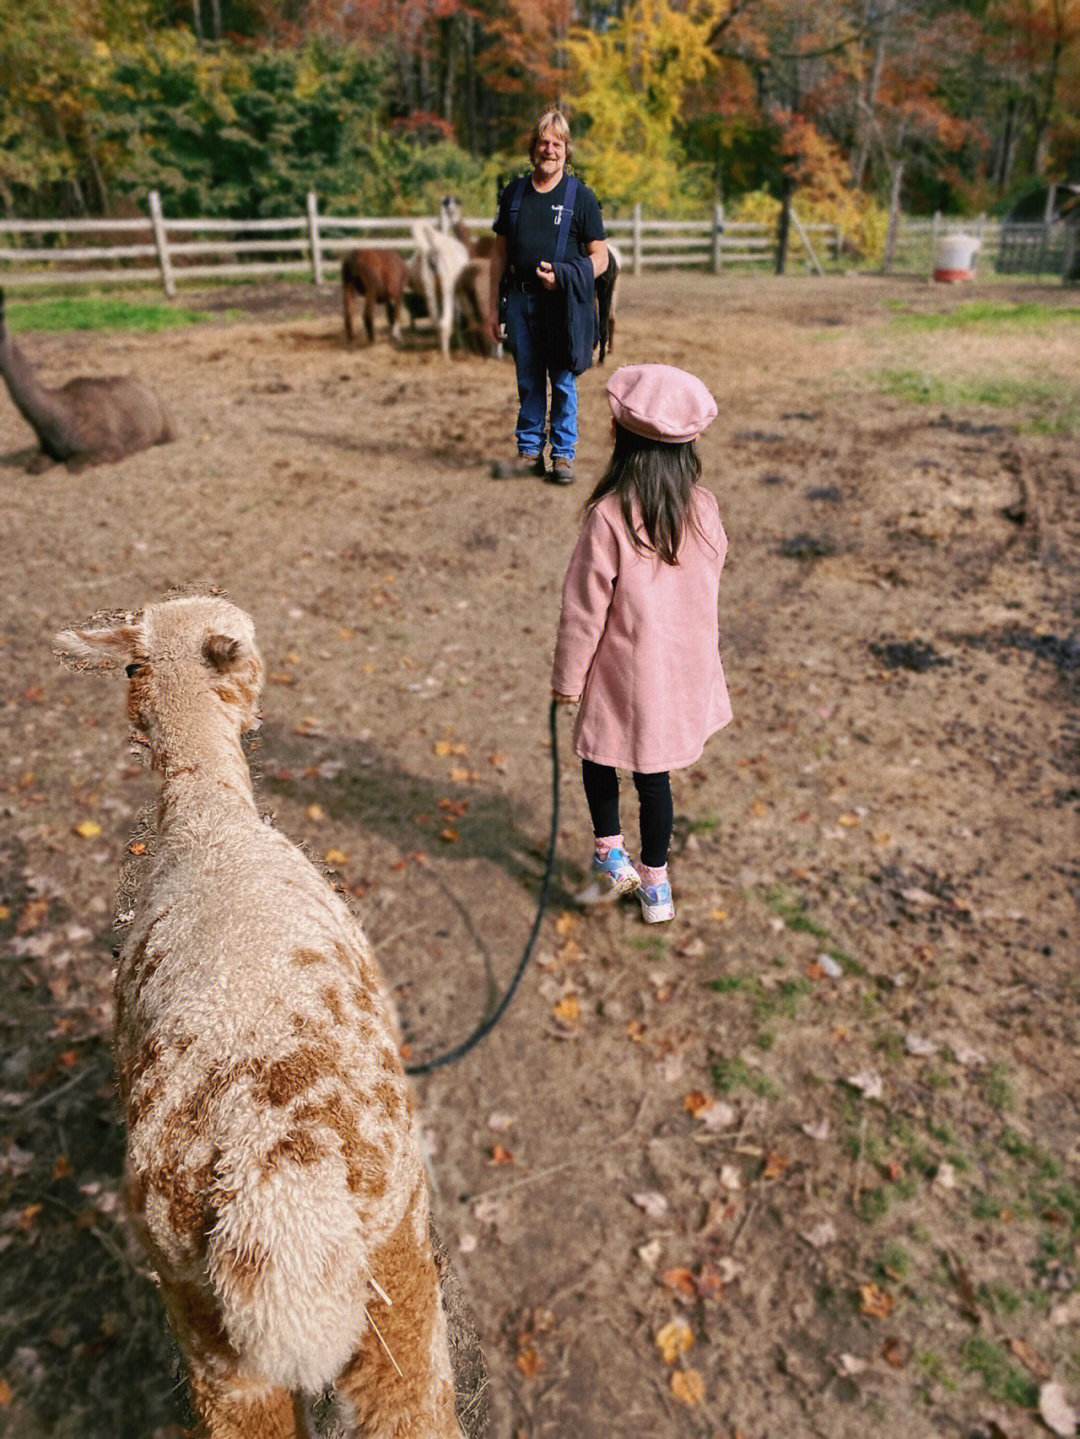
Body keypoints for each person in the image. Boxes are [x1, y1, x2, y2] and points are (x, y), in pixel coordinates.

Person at [550, 363, 732, 923]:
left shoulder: (609, 516)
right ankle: (657, 887)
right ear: (691, 443)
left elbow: (583, 610)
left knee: (599, 756)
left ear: (619, 437)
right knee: (655, 778)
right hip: (679, 670)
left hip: (621, 671)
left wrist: (568, 681)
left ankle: (611, 853)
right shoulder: (702, 508)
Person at [488, 109, 608, 485]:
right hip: (521, 302)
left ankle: (563, 455)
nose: (550, 149)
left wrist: (565, 278)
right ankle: (528, 453)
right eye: (544, 142)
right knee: (528, 380)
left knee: (562, 380)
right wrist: (494, 307)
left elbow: (600, 258)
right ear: (533, 148)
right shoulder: (514, 193)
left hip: (563, 305)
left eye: (557, 143)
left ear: (566, 151)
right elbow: (499, 255)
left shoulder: (582, 198)